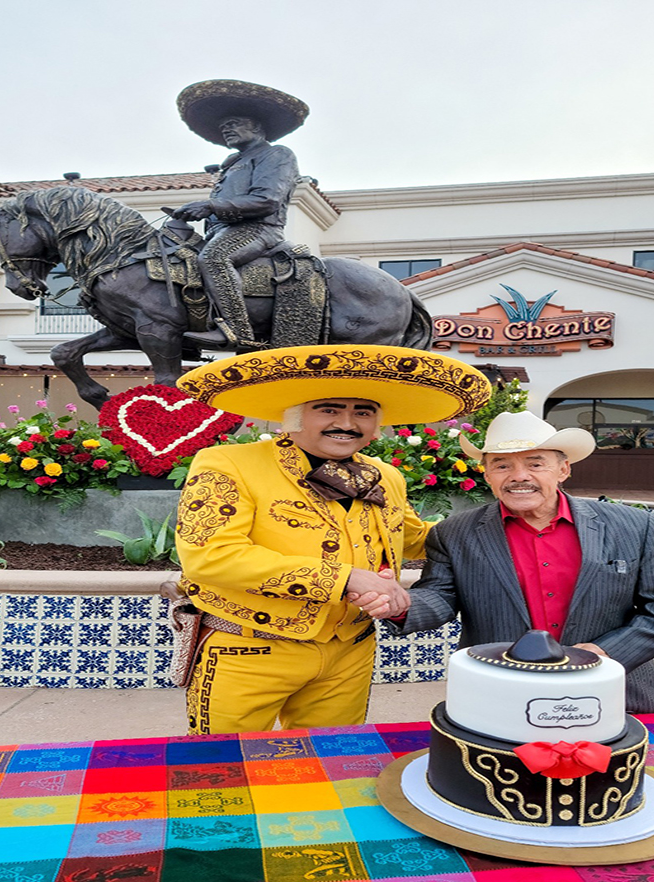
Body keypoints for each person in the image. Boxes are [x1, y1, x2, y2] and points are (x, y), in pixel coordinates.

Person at [173, 344, 492, 735]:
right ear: (294, 417)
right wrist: (347, 579)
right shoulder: (229, 464)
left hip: (350, 651)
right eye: (329, 409)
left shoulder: (385, 476)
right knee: (223, 769)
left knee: (331, 764)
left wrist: (496, 528)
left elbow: (414, 539)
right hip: (249, 649)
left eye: (363, 411)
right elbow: (211, 557)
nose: (347, 422)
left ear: (377, 425)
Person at [372, 410, 654, 713]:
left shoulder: (633, 526)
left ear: (563, 469)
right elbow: (440, 597)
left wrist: (603, 654)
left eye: (535, 464)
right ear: (486, 474)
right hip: (498, 694)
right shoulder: (454, 533)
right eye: (502, 465)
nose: (519, 477)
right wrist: (400, 605)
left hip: (612, 693)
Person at [171, 80, 309, 348]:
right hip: (221, 232)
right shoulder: (233, 165)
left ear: (256, 126)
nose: (226, 128)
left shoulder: (276, 154)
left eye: (233, 123)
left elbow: (267, 200)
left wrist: (210, 206)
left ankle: (237, 330)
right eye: (224, 126)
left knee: (213, 259)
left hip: (259, 230)